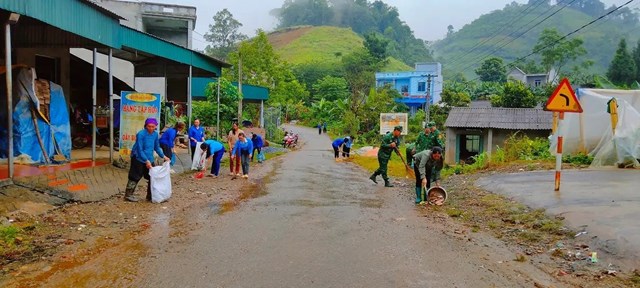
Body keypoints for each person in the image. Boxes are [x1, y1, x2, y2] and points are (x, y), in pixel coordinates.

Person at [124, 118, 169, 202]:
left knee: (152, 176)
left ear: (156, 126)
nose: (151, 128)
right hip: (138, 157)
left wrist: (163, 156)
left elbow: (156, 147)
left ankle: (150, 195)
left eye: (153, 126)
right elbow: (140, 149)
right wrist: (146, 161)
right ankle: (128, 195)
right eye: (149, 126)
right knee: (135, 176)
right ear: (145, 126)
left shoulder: (155, 135)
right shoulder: (141, 134)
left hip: (149, 157)